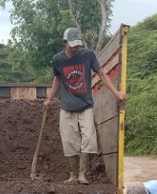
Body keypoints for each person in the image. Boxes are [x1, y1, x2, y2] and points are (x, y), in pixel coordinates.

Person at [44, 27, 127, 184]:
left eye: (77, 45)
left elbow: (102, 74)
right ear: (65, 43)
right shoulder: (58, 59)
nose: (75, 48)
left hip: (85, 105)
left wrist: (116, 93)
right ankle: (73, 175)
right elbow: (57, 79)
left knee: (89, 138)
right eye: (72, 45)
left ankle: (83, 174)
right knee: (69, 140)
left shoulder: (87, 55)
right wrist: (49, 99)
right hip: (67, 106)